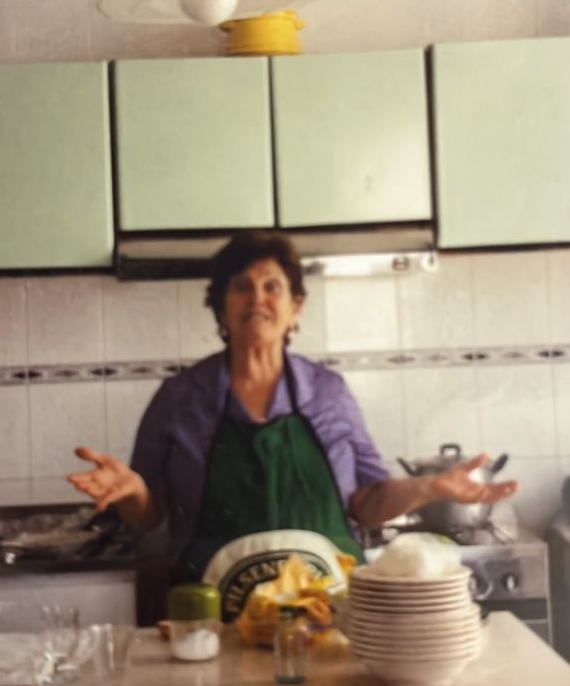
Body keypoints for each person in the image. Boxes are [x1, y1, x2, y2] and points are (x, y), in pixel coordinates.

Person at [68, 230, 517, 587]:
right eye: (241, 287)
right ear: (221, 308)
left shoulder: (329, 393)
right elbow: (153, 517)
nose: (257, 298)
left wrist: (429, 487)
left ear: (294, 306)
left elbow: (368, 501)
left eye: (272, 287)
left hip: (330, 609)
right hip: (213, 615)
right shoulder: (180, 398)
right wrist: (133, 492)